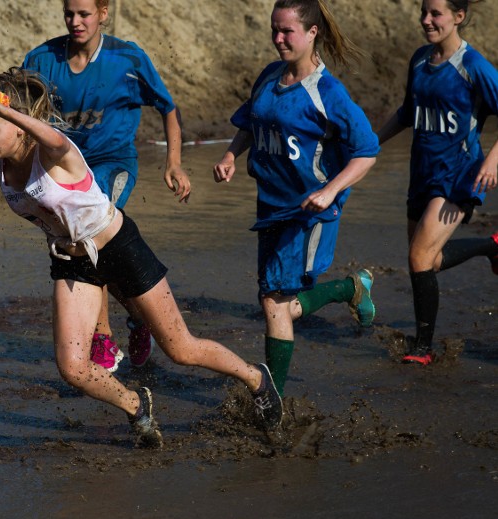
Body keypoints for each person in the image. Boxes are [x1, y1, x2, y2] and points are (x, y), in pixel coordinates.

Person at [0, 68, 282, 447]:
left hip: (119, 246)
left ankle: (256, 379)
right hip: (72, 262)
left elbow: (48, 132)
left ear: (18, 123)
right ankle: (136, 406)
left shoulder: (56, 152)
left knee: (181, 349)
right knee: (73, 368)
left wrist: (6, 110)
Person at [213, 0, 379, 394]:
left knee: (274, 299)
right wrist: (229, 155)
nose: (279, 39)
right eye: (275, 29)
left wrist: (329, 190)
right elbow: (250, 123)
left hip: (309, 211)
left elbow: (368, 151)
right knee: (276, 300)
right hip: (270, 206)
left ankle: (273, 402)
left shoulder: (329, 93)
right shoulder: (269, 77)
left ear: (312, 33)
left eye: (287, 31)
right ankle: (349, 288)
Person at [22, 0, 192, 373]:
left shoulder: (127, 59)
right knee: (88, 256)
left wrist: (174, 163)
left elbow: (168, 108)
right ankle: (139, 315)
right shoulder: (41, 59)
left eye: (84, 14)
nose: (75, 22)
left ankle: (103, 339)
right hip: (61, 174)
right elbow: (19, 113)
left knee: (89, 242)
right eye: (69, 13)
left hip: (110, 166)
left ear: (103, 12)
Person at [376, 0, 498, 366]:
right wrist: (369, 143)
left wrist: (492, 161)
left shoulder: (472, 65)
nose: (426, 20)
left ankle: (423, 348)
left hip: (460, 175)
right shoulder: (418, 60)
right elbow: (406, 113)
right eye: (424, 12)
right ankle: (490, 247)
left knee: (418, 258)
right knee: (430, 259)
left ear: (458, 17)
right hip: (422, 174)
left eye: (436, 14)